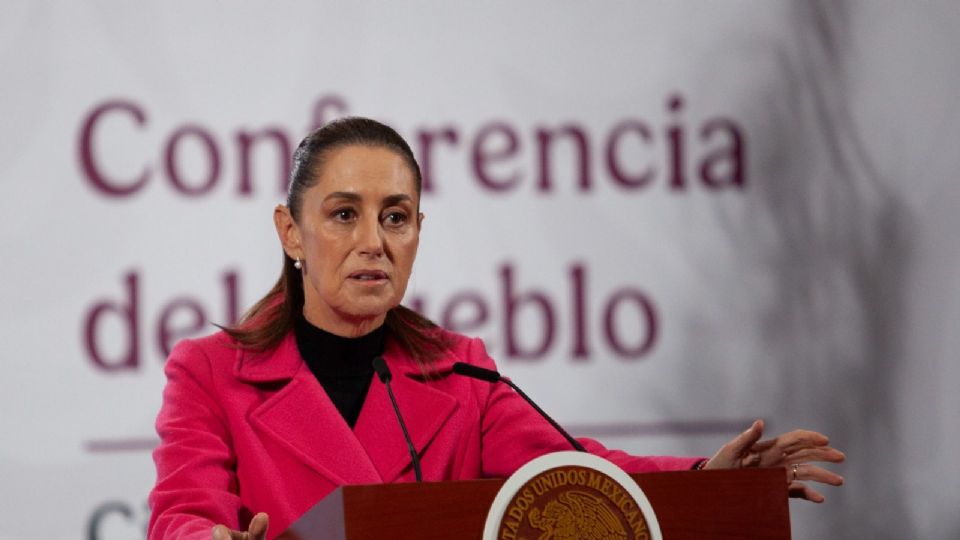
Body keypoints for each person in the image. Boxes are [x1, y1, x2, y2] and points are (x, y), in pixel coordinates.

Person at [147, 117, 845, 540]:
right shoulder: (209, 372)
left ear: (418, 230)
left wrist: (707, 482)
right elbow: (180, 510)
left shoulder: (461, 372)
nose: (373, 242)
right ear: (290, 232)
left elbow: (575, 472)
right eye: (342, 214)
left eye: (395, 216)